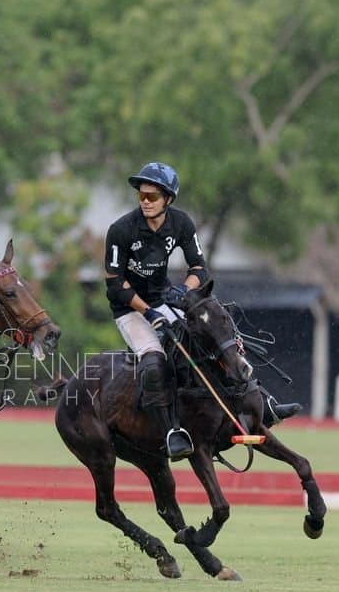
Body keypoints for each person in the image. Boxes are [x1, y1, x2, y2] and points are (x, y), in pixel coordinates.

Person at [104, 162, 299, 460]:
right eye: (141, 195)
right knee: (156, 361)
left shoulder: (181, 224)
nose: (145, 201)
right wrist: (149, 313)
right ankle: (173, 432)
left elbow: (199, 267)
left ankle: (263, 403)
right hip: (129, 310)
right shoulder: (121, 230)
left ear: (168, 199)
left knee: (217, 335)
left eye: (152, 196)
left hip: (163, 299)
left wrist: (185, 290)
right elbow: (116, 284)